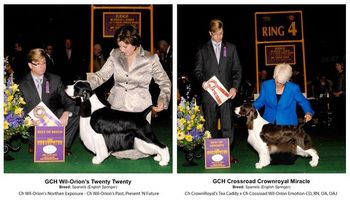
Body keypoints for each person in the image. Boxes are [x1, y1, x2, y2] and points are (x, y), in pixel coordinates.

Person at [87, 24, 171, 123]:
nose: (121, 49)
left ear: (134, 43)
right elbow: (101, 76)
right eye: (119, 46)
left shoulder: (151, 58)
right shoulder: (115, 54)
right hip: (117, 107)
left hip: (141, 110)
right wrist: (85, 86)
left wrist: (162, 100)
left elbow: (164, 82)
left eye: (125, 46)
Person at [194, 19, 242, 163]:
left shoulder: (231, 48)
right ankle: (211, 154)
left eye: (221, 33)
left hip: (227, 95)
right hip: (209, 95)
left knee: (228, 126)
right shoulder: (202, 50)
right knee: (210, 126)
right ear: (210, 33)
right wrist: (202, 82)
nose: (219, 37)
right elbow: (197, 71)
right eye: (216, 34)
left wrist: (234, 87)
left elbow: (237, 70)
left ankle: (227, 154)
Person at [19, 48, 79, 156]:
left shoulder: (55, 80)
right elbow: (18, 111)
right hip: (34, 126)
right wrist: (28, 121)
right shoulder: (21, 84)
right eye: (37, 64)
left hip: (52, 121)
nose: (42, 66)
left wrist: (65, 114)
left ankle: (62, 145)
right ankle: (34, 144)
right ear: (30, 65)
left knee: (76, 111)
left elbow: (69, 102)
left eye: (44, 63)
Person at [332, 61, 345, 128]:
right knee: (337, 111)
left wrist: (340, 92)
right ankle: (338, 126)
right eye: (336, 65)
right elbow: (334, 85)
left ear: (342, 65)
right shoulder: (336, 74)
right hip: (336, 95)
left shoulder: (345, 73)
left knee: (343, 110)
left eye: (338, 65)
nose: (337, 66)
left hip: (343, 95)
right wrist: (334, 92)